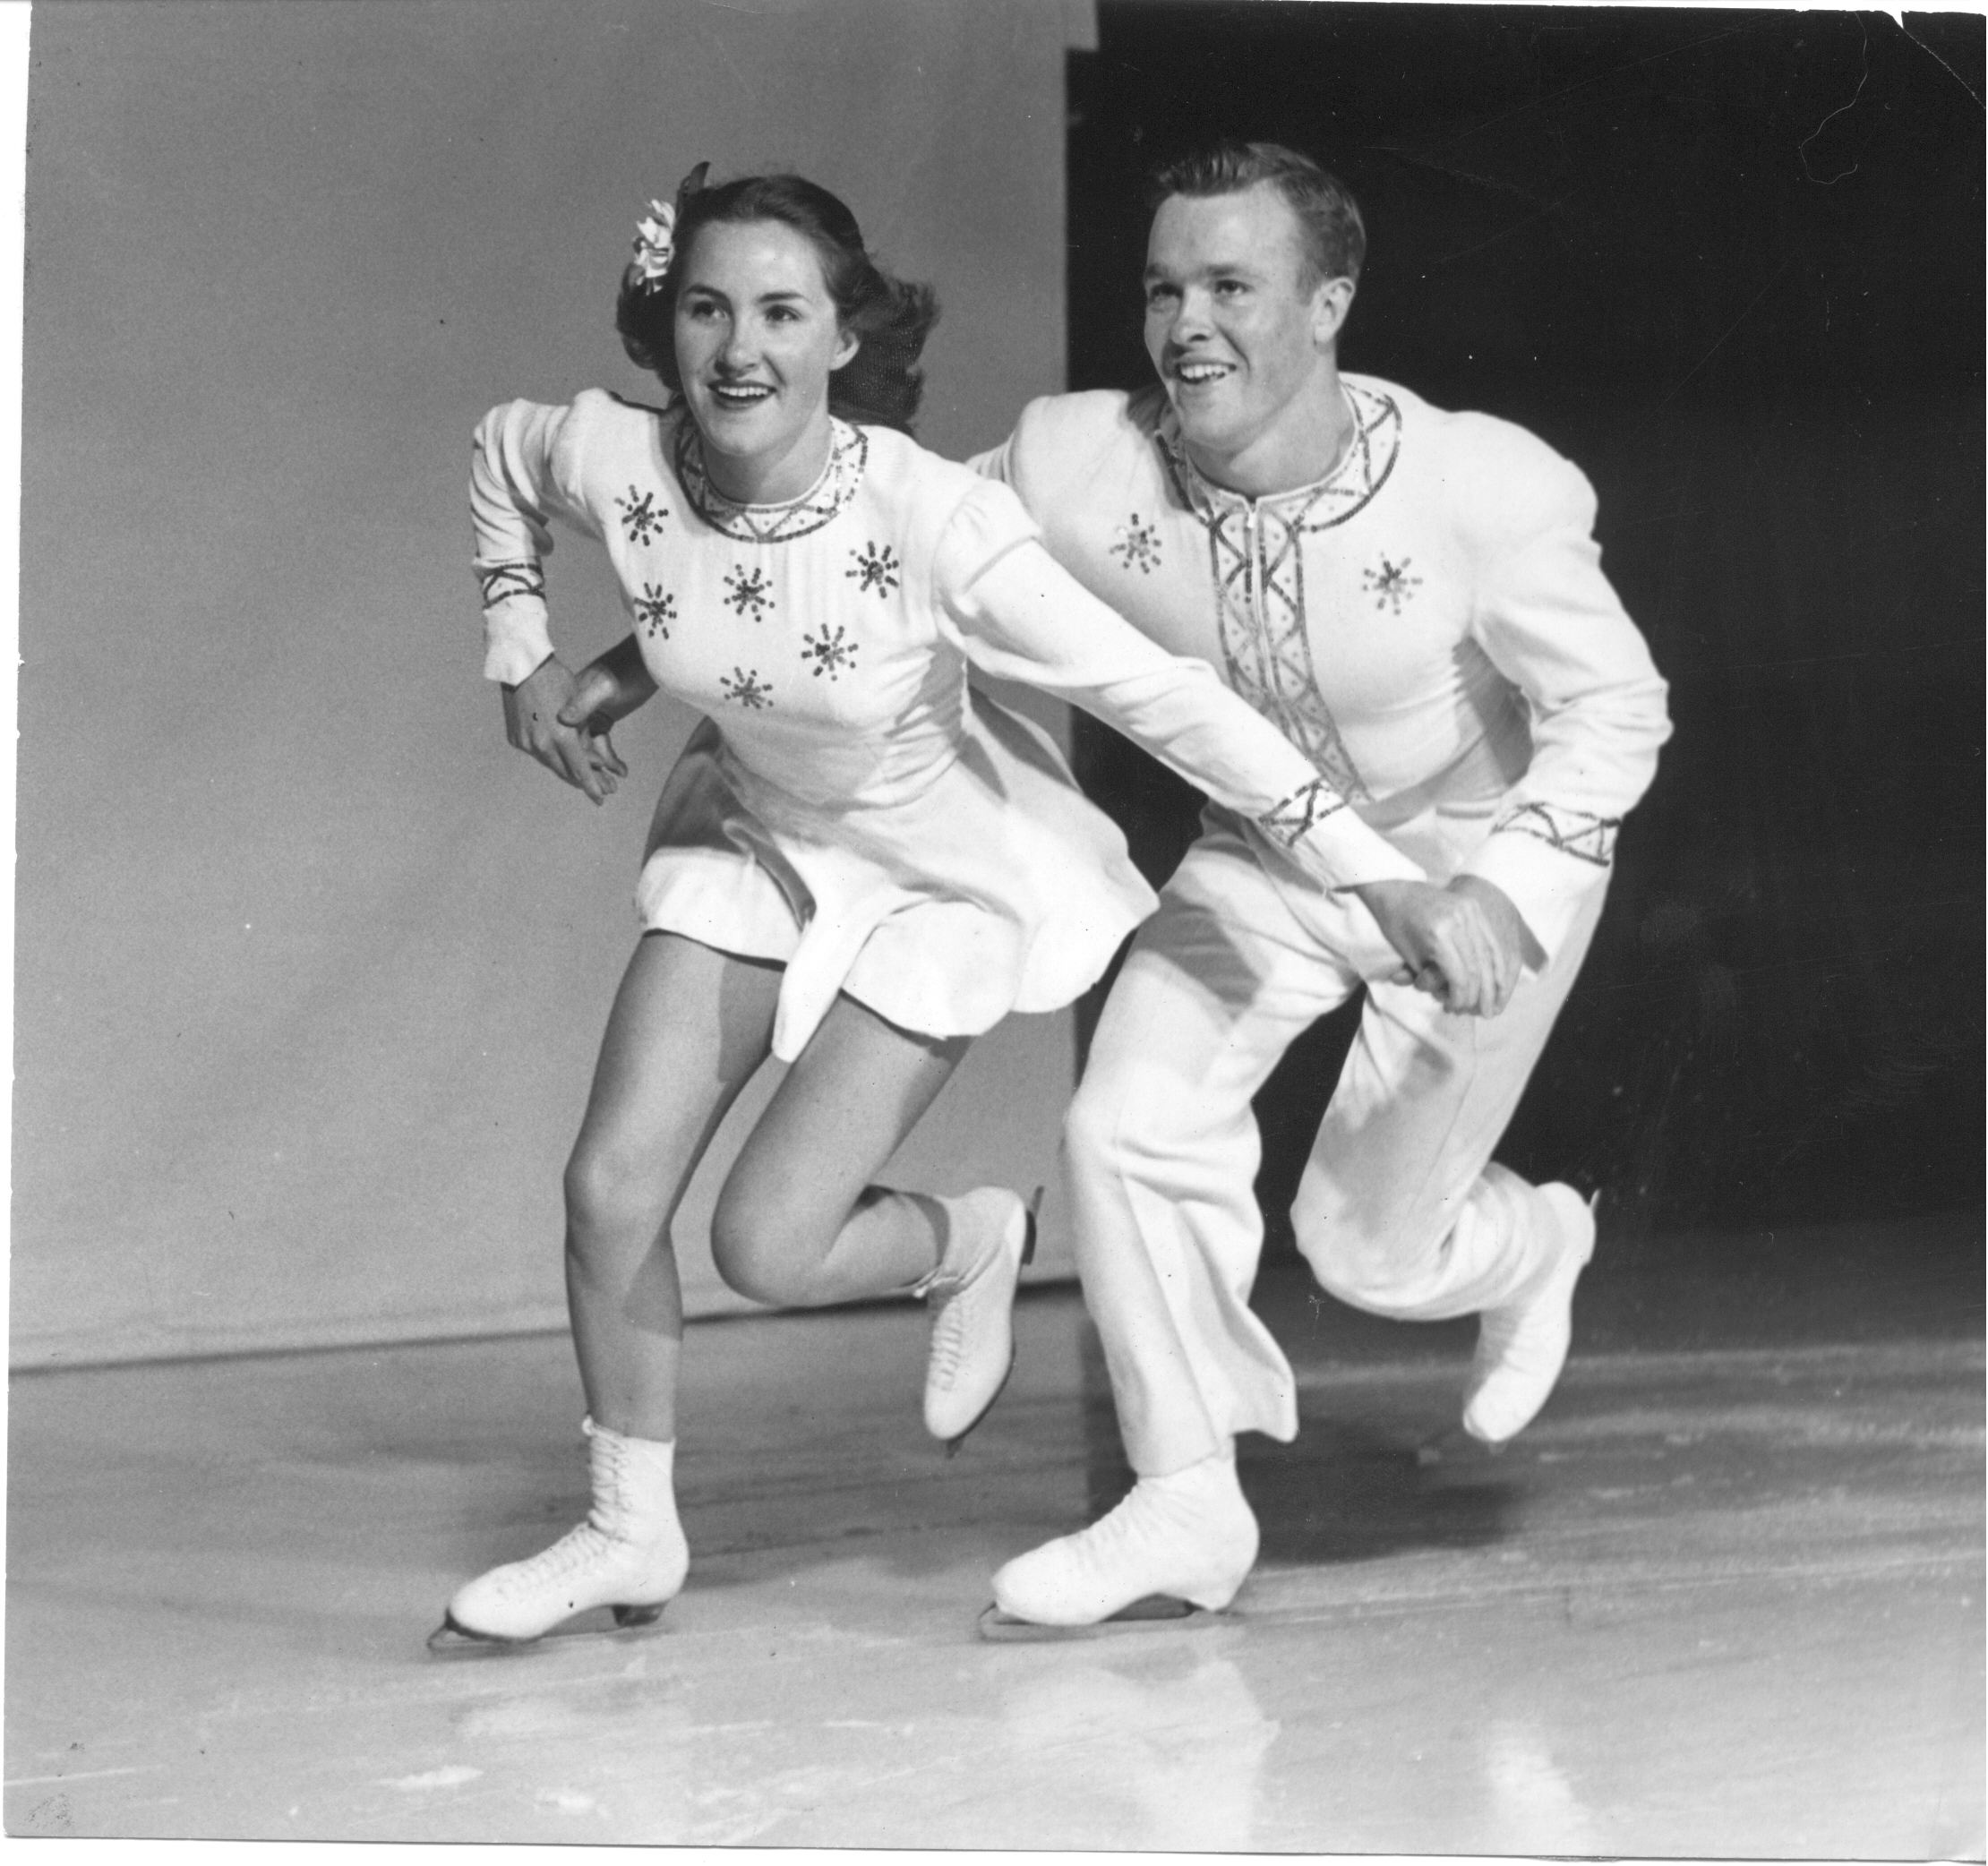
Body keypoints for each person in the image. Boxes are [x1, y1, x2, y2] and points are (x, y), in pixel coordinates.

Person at [435, 165, 1431, 1648]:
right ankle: (625, 1532)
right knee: (608, 1190)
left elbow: (1156, 695)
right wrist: (525, 655)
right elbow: (499, 462)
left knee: (766, 1249)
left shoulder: (934, 518)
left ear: (846, 337)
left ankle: (967, 1240)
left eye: (783, 312)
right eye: (708, 308)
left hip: (936, 870)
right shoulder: (615, 457)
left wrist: (1379, 871)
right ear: (669, 320)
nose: (739, 349)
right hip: (757, 829)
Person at [971, 142, 1672, 1630]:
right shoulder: (1072, 462)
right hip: (1270, 858)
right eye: (1165, 289)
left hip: (1474, 869)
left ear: (1331, 300)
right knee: (1119, 1125)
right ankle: (1181, 1501)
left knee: (1364, 1253)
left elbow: (1617, 709)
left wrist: (1513, 887)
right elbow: (880, 528)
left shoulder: (1483, 485)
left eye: (1232, 284)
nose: (1187, 327)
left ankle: (1538, 1241)